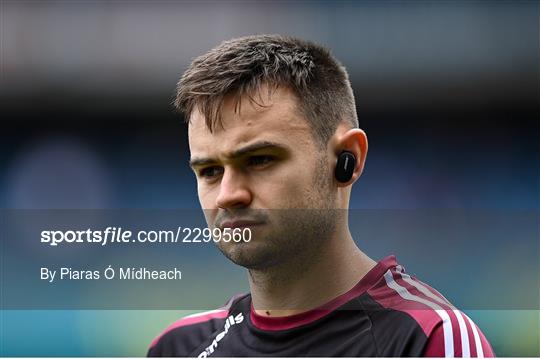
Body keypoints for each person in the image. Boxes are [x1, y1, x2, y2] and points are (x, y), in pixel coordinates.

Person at [148, 34, 495, 357]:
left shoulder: (429, 338)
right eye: (209, 171)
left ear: (348, 159)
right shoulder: (178, 347)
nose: (227, 195)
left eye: (260, 160)